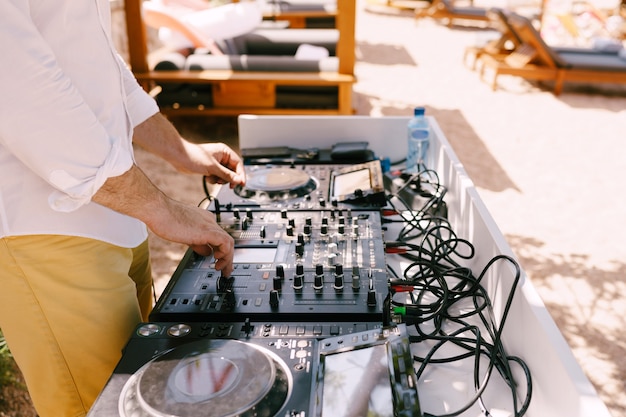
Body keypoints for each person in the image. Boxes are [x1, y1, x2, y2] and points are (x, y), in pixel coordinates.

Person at [0, 1, 246, 416]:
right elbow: (24, 90)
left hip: (117, 213)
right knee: (109, 408)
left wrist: (180, 151)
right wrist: (163, 209)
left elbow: (97, 63)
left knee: (144, 395)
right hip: (45, 229)